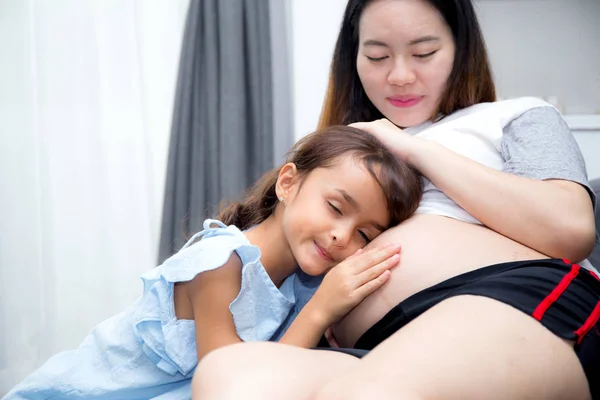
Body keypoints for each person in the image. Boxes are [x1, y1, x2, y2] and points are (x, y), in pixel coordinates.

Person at [191, 0, 600, 399]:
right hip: (375, 345)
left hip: (510, 298)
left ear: (461, 50)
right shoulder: (339, 154)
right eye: (377, 56)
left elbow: (572, 229)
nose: (400, 75)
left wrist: (413, 148)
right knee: (227, 375)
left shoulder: (512, 117)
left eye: (424, 52)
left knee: (369, 393)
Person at [2, 126, 423, 400]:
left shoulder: (301, 284)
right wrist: (319, 312)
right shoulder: (220, 262)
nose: (342, 236)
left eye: (365, 235)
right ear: (289, 183)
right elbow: (236, 385)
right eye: (335, 207)